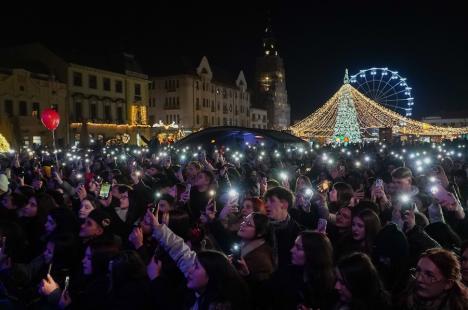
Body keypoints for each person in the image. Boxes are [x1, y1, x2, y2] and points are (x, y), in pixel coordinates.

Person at [146, 208, 251, 309]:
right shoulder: (202, 290)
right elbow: (182, 252)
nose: (190, 269)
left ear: (212, 276)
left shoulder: (216, 306)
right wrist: (157, 227)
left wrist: (156, 281)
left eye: (196, 267)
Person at [397, 248, 468, 310]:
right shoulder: (406, 294)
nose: (419, 279)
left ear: (448, 284)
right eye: (418, 270)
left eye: (429, 275)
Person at [264, 186, 303, 270]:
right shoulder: (261, 227)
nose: (266, 205)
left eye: (272, 201)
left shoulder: (298, 233)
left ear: (285, 204)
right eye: (266, 201)